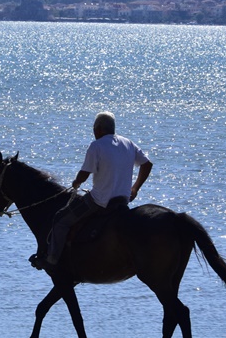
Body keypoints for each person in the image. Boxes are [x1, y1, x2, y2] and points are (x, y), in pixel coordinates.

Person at [42, 111, 153, 269]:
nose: (94, 132)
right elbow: (147, 164)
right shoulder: (128, 143)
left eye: (94, 129)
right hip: (122, 200)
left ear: (99, 129)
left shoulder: (96, 146)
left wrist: (76, 182)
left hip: (99, 201)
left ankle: (51, 260)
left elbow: (84, 174)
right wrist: (135, 189)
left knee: (60, 219)